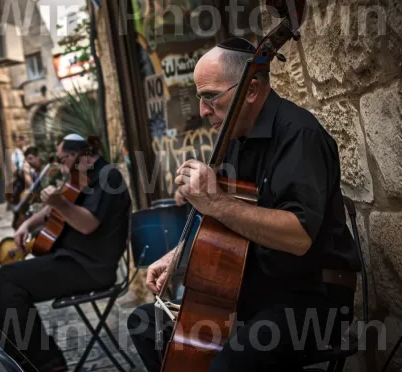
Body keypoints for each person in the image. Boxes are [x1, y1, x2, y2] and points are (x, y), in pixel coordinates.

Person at [127, 38, 361, 372]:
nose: (203, 111)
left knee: (230, 363)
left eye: (211, 97)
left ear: (250, 89)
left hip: (310, 298)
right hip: (254, 288)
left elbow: (299, 237)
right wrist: (176, 256)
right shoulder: (236, 138)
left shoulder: (300, 135)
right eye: (200, 99)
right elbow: (223, 225)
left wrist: (214, 202)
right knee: (146, 324)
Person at [0, 133, 132, 372]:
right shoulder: (80, 177)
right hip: (73, 260)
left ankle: (44, 363)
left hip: (91, 268)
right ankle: (38, 360)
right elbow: (49, 211)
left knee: (10, 279)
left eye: (62, 159)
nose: (61, 165)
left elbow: (87, 224)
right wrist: (27, 224)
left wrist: (60, 204)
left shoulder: (108, 176)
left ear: (76, 155)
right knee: (10, 277)